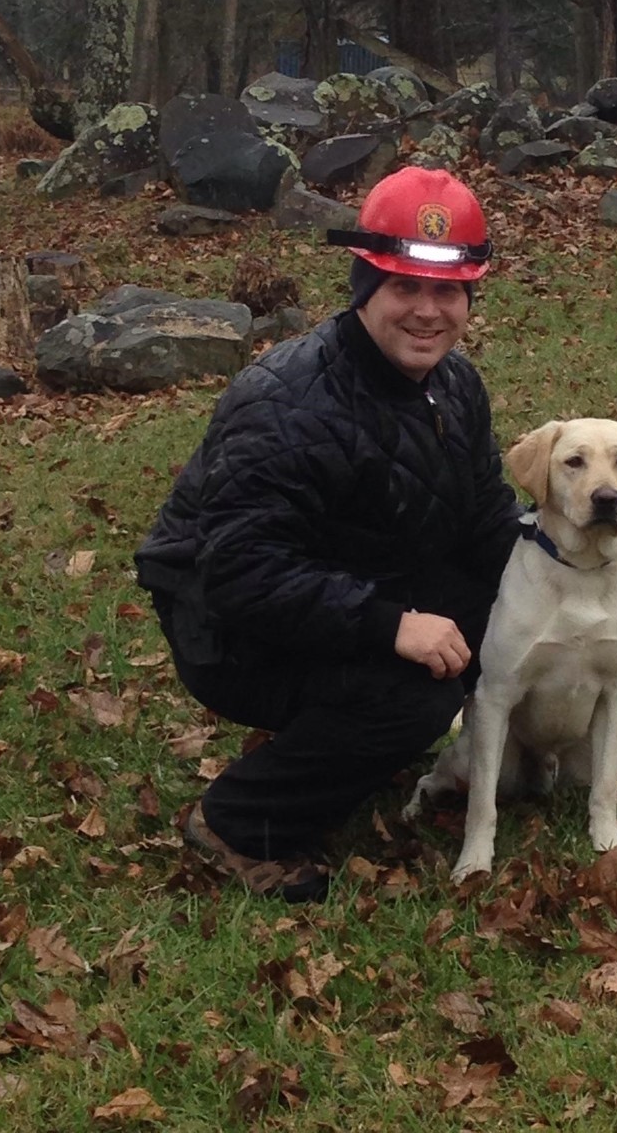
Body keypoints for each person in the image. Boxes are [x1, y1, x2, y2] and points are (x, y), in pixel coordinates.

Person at [135, 166, 520, 902]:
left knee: (493, 614)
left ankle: (393, 739)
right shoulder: (289, 403)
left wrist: (569, 578)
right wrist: (389, 626)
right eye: (405, 288)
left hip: (356, 576)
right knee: (413, 694)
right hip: (229, 630)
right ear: (364, 286)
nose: (427, 312)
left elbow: (485, 518)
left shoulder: (456, 383)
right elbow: (241, 574)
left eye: (447, 291)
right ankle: (238, 823)